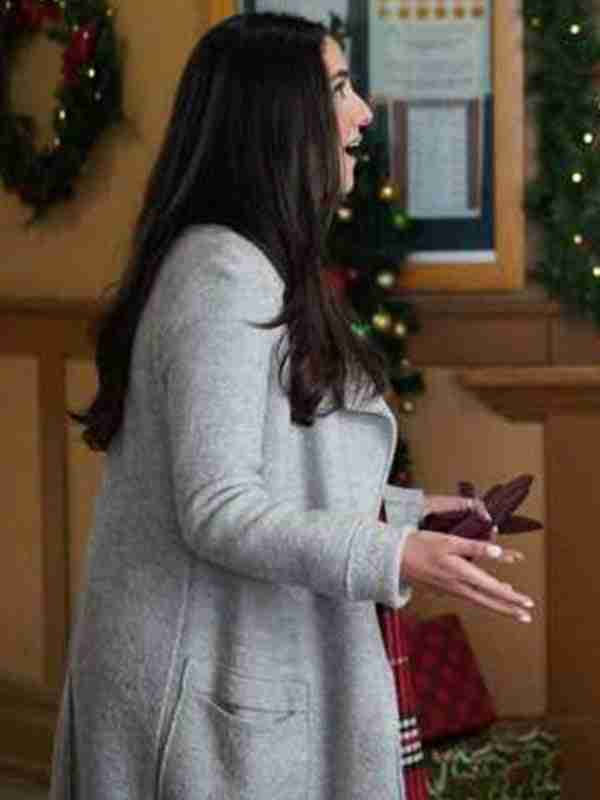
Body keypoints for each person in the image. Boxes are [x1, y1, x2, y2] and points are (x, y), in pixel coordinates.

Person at [49, 12, 534, 800]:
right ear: (278, 120)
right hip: (197, 707)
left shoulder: (249, 263)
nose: (363, 112)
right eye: (338, 89)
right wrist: (391, 554)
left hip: (230, 676)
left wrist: (406, 515)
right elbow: (218, 508)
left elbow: (271, 469)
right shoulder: (221, 277)